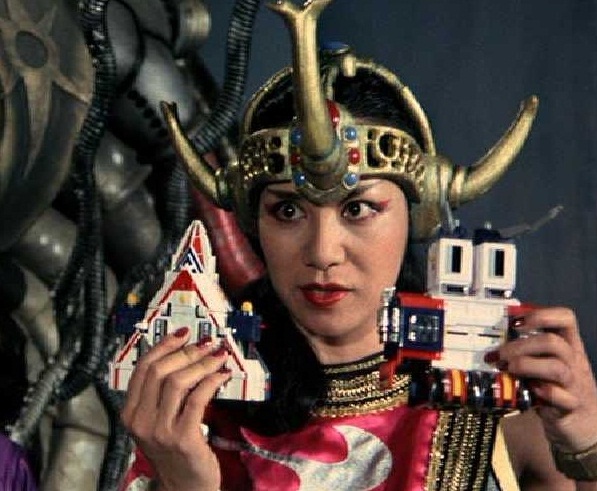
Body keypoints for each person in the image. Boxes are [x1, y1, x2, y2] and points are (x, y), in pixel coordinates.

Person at [120, 1, 597, 490]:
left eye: (358, 209)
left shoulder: (497, 407)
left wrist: (588, 447)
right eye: (288, 211)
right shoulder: (187, 415)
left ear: (416, 215)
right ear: (254, 224)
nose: (323, 252)